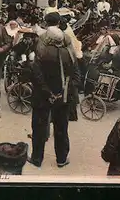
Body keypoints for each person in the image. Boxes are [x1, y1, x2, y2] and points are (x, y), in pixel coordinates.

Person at [27, 16, 79, 169]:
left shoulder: (41, 52)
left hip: (43, 97)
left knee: (39, 128)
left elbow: (36, 77)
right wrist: (65, 91)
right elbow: (76, 75)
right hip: (62, 97)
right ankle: (61, 159)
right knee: (61, 128)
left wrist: (48, 93)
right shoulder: (68, 53)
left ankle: (37, 159)